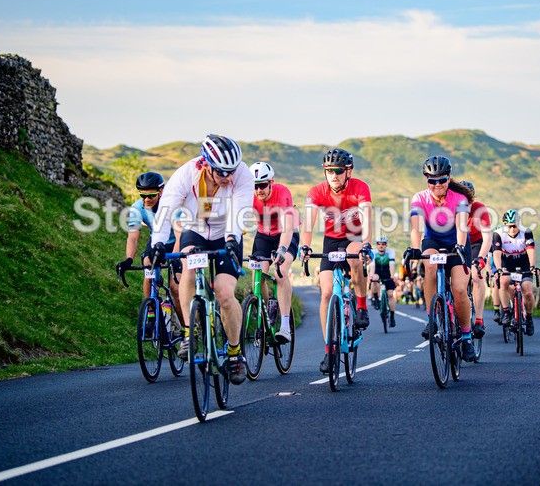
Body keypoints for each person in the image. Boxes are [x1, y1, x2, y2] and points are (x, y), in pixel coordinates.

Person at [147, 134, 253, 385]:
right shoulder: (186, 174)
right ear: (205, 164)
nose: (228, 177)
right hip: (195, 230)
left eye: (231, 171)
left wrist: (232, 239)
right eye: (222, 172)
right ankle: (189, 333)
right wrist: (157, 244)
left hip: (226, 234)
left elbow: (239, 211)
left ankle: (235, 353)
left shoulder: (242, 174)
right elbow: (166, 210)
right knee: (189, 269)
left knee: (225, 294)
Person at [299, 148, 373, 373]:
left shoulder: (360, 188)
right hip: (331, 241)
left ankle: (361, 306)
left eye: (338, 171)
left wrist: (367, 244)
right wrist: (305, 246)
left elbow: (367, 218)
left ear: (348, 171)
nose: (334, 175)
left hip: (354, 236)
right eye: (329, 171)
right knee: (326, 293)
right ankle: (329, 350)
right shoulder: (317, 192)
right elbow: (308, 224)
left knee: (355, 258)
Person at [404, 156, 476, 362]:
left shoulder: (459, 199)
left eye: (442, 180)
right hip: (432, 241)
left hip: (457, 243)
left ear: (449, 178)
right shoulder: (419, 198)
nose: (437, 185)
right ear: (426, 180)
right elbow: (416, 227)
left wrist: (460, 247)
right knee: (430, 268)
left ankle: (466, 336)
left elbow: (462, 227)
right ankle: (432, 319)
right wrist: (415, 249)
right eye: (432, 181)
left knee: (459, 289)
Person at [115, 172, 183, 330]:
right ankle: (151, 312)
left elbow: (180, 235)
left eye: (151, 195)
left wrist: (175, 258)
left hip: (178, 241)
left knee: (175, 289)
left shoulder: (172, 205)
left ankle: (187, 328)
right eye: (143, 195)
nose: (146, 200)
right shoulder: (137, 208)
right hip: (157, 241)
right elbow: (133, 237)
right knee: (147, 266)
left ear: (161, 192)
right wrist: (128, 259)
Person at [248, 161, 299, 343]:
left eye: (262, 185)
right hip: (263, 236)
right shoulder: (249, 195)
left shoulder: (282, 193)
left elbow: (287, 228)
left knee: (280, 272)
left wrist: (282, 250)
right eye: (255, 186)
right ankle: (265, 316)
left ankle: (285, 326)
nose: (258, 190)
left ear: (271, 182)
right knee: (257, 276)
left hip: (286, 234)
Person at [492, 208, 538, 336]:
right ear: (504, 225)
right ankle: (506, 312)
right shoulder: (498, 233)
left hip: (523, 262)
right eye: (509, 226)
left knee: (527, 291)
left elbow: (531, 250)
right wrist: (499, 269)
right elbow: (496, 253)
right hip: (506, 262)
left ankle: (529, 318)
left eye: (515, 226)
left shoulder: (526, 232)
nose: (512, 229)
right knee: (504, 281)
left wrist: (532, 266)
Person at [458, 180, 491, 339]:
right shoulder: (451, 209)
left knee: (477, 276)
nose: (467, 204)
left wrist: (481, 258)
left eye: (469, 200)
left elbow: (487, 238)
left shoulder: (480, 209)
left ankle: (478, 319)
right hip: (458, 243)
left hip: (476, 244)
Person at [369, 235, 397, 327]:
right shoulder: (373, 252)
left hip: (387, 272)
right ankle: (376, 299)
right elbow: (372, 267)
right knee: (374, 279)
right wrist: (371, 276)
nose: (381, 245)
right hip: (377, 271)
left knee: (390, 295)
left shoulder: (390, 252)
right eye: (379, 244)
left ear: (386, 245)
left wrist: (392, 276)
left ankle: (392, 317)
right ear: (376, 245)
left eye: (383, 244)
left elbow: (392, 265)